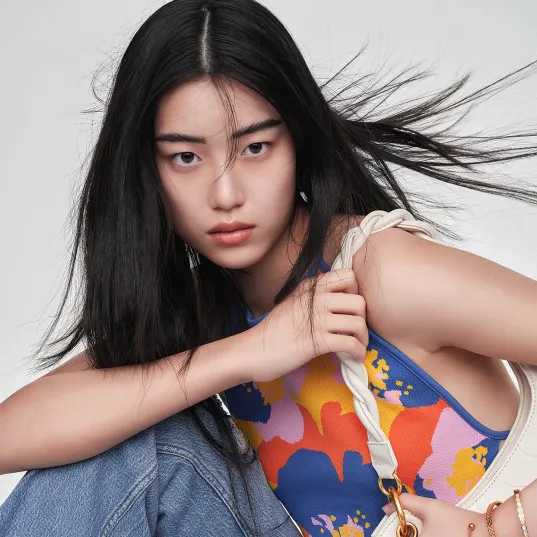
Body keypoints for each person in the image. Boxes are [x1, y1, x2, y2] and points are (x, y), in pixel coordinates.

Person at [1, 1, 537, 536]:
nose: (226, 195)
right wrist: (248, 352)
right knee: (122, 433)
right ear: (146, 172)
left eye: (255, 147)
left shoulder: (380, 273)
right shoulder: (207, 313)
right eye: (186, 158)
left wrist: (503, 528)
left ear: (297, 143)